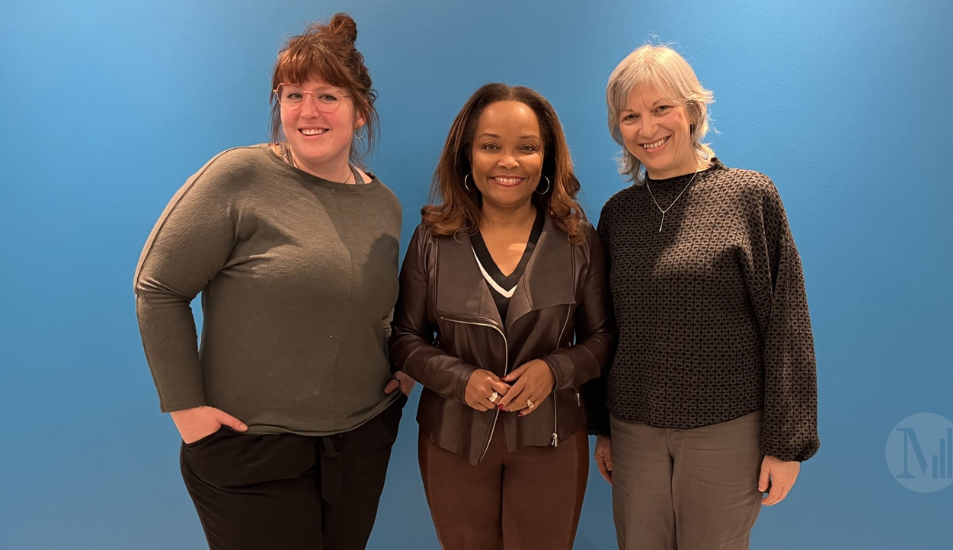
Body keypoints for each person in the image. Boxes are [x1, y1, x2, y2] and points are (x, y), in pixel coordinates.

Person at [133, 13, 412, 550]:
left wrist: (402, 370)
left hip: (359, 442)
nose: (308, 111)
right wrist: (186, 412)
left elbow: (367, 302)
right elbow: (158, 288)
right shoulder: (238, 177)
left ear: (360, 113)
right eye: (291, 95)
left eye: (328, 96)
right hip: (249, 448)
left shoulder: (384, 203)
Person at [586, 44, 820, 550]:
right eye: (630, 116)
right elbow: (603, 327)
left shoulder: (750, 195)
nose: (647, 129)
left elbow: (788, 323)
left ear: (693, 110)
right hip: (633, 429)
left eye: (661, 108)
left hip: (728, 429)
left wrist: (787, 445)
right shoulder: (617, 214)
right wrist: (601, 425)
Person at [389, 83, 615, 550]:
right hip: (452, 440)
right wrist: (459, 379)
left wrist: (556, 371)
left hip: (552, 440)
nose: (507, 162)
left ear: (546, 159)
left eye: (526, 148)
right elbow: (405, 338)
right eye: (491, 146)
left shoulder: (579, 242)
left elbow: (603, 338)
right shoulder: (431, 239)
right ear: (467, 156)